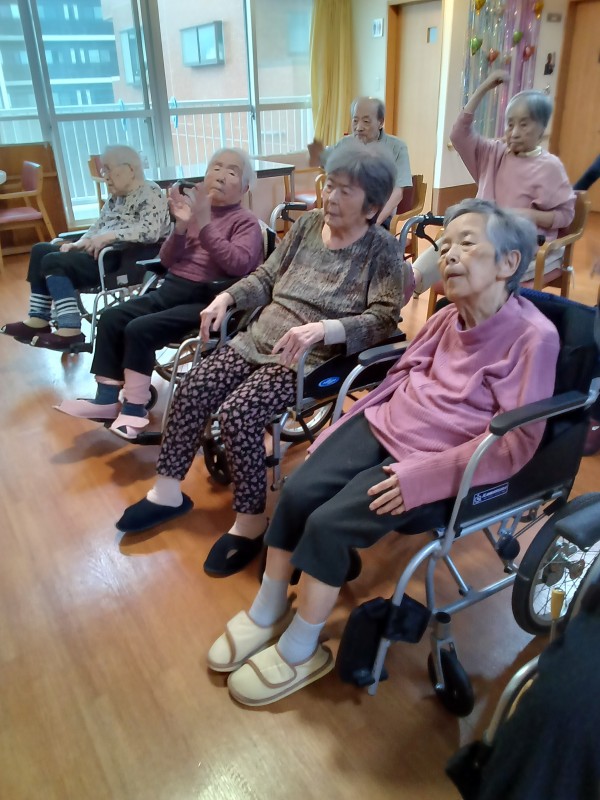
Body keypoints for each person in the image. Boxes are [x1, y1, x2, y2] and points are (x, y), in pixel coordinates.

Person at [205, 198, 561, 708]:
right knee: (298, 490)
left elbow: (516, 442)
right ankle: (269, 607)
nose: (448, 254)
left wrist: (426, 476)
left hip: (435, 458)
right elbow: (402, 373)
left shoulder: (534, 338)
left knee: (328, 525)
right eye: (444, 245)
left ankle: (302, 648)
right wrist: (342, 428)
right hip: (387, 424)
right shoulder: (446, 318)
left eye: (466, 243)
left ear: (509, 263)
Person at [116, 141, 409, 577]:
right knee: (194, 386)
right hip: (259, 335)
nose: (330, 196)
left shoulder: (381, 248)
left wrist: (326, 329)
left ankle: (251, 521)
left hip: (311, 356)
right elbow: (268, 276)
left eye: (345, 191)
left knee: (239, 414)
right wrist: (228, 297)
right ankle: (167, 492)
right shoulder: (308, 225)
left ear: (371, 206)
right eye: (329, 185)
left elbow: (384, 318)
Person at [54, 148, 264, 440]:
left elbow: (238, 264)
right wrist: (181, 227)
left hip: (209, 300)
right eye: (216, 168)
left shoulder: (246, 222)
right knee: (112, 317)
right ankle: (106, 400)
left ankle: (135, 409)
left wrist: (205, 225)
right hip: (173, 288)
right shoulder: (192, 216)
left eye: (232, 172)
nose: (221, 176)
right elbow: (165, 260)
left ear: (245, 188)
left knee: (139, 328)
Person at [413, 70, 576, 293]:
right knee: (455, 240)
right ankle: (412, 279)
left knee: (468, 249)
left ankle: (454, 299)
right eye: (510, 124)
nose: (514, 132)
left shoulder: (550, 167)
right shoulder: (494, 153)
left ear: (541, 128)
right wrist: (484, 88)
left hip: (519, 245)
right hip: (479, 236)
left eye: (524, 125)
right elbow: (458, 135)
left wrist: (528, 215)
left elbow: (566, 215)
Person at [1, 145, 170, 351]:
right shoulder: (116, 197)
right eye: (103, 170)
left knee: (53, 261)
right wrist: (79, 243)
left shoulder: (151, 192)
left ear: (130, 169)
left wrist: (109, 237)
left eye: (108, 169)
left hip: (122, 260)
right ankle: (38, 318)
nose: (105, 176)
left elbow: (150, 232)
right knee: (41, 250)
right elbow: (98, 225)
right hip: (99, 255)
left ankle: (70, 328)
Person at [308, 96, 412, 226]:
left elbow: (398, 193)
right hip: (342, 213)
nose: (359, 127)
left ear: (380, 122)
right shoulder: (345, 144)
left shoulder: (397, 147)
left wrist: (376, 224)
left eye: (366, 121)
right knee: (311, 225)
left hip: (377, 216)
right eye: (355, 121)